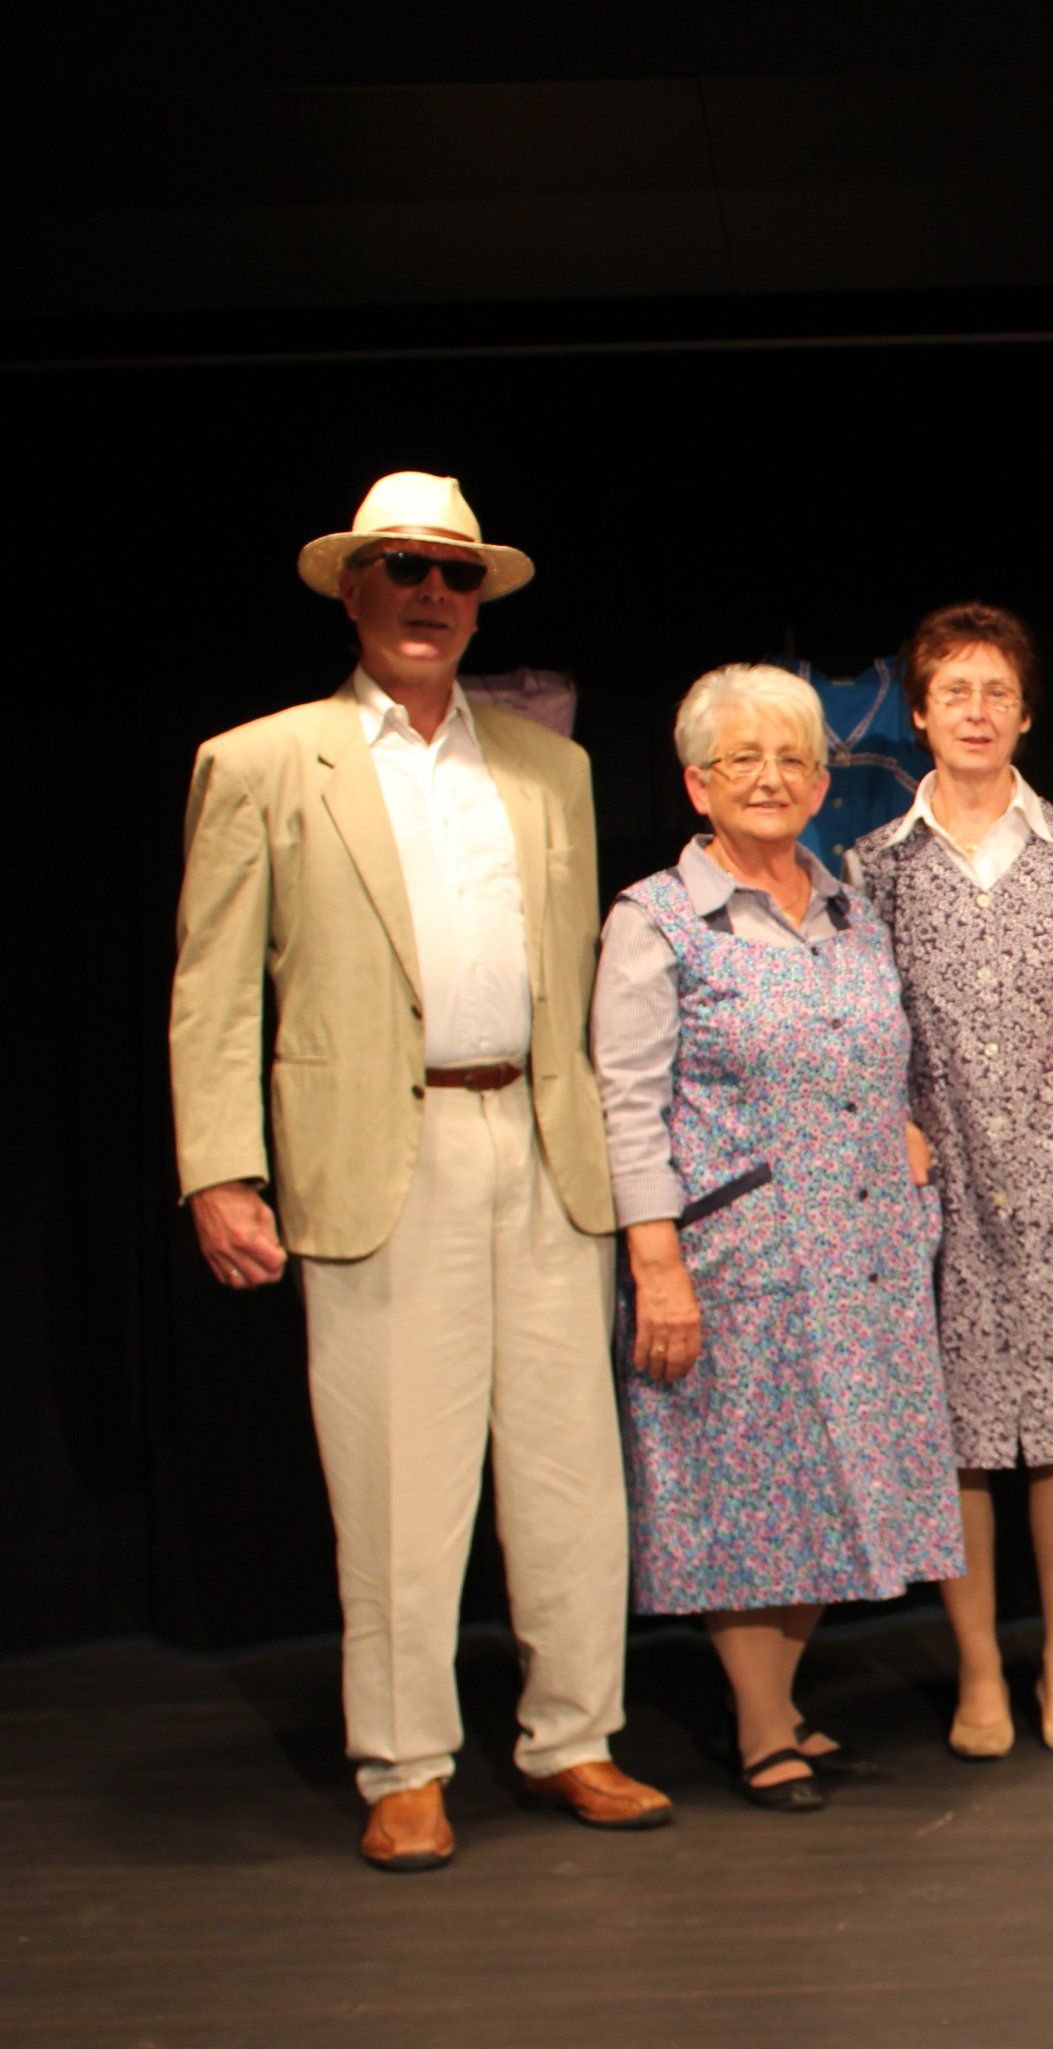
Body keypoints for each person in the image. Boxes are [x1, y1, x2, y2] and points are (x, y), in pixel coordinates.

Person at [170, 472, 670, 1872]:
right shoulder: (264, 761)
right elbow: (214, 986)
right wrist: (220, 1168)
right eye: (403, 568)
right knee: (399, 1477)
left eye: (455, 575)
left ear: (480, 602)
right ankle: (404, 1761)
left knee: (571, 1471)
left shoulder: (548, 766)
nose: (431, 595)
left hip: (543, 1140)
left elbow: (576, 979)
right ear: (354, 589)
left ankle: (574, 1734)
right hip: (379, 1151)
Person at [593, 665, 965, 1811]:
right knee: (746, 1488)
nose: (769, 778)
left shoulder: (850, 906)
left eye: (792, 759)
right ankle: (760, 1723)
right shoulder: (655, 920)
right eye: (742, 759)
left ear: (817, 784)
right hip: (739, 1256)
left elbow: (875, 1049)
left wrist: (903, 1125)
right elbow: (624, 1104)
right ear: (696, 783)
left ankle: (780, 1701)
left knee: (834, 1480)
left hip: (865, 1252)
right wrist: (656, 1262)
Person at [855, 604, 1053, 1762]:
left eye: (996, 693)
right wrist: (893, 1124)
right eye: (953, 692)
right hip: (939, 1177)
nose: (976, 712)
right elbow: (859, 1025)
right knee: (959, 1432)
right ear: (919, 713)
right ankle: (977, 1668)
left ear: (1026, 715)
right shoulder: (873, 867)